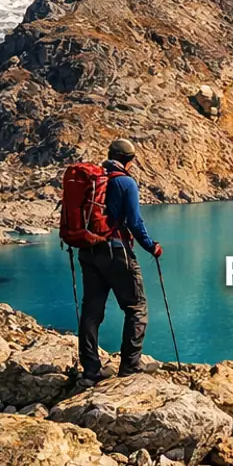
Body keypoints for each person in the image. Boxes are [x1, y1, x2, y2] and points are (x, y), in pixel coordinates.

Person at [77, 138, 162, 382]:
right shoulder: (126, 182)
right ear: (130, 161)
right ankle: (130, 367)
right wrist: (151, 246)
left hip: (88, 251)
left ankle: (91, 369)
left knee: (92, 311)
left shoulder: (93, 179)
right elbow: (134, 222)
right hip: (116, 251)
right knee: (136, 308)